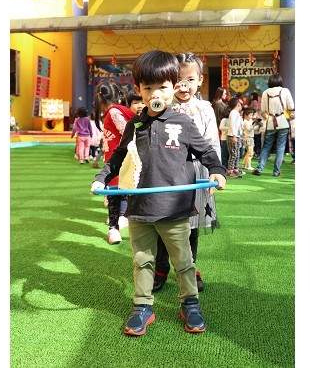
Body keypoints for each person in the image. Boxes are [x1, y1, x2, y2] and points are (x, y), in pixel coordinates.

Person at [91, 50, 227, 336]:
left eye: (163, 87)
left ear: (174, 87)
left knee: (184, 261)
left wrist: (217, 170)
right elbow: (118, 156)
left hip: (174, 208)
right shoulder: (135, 124)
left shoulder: (184, 123)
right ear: (138, 89)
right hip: (140, 209)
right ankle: (142, 306)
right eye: (148, 87)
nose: (156, 93)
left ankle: (190, 303)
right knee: (142, 260)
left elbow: (205, 151)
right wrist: (102, 177)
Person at [152, 52, 221, 294]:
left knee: (191, 225)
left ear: (200, 80)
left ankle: (189, 267)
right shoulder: (162, 106)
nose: (184, 86)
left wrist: (214, 172)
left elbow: (212, 142)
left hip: (196, 173)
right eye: (179, 80)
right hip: (167, 173)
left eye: (190, 80)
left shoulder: (205, 109)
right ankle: (161, 268)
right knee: (163, 221)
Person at [93, 81, 136, 243]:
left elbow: (126, 131)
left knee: (114, 195)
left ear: (100, 100)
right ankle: (117, 224)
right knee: (118, 194)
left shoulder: (113, 112)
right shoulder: (118, 111)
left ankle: (114, 227)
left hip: (118, 160)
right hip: (118, 160)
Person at [252, 73, 295, 177]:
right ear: (280, 81)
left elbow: (263, 110)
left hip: (270, 122)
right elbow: (291, 106)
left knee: (266, 146)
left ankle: (259, 168)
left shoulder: (265, 93)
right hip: (283, 122)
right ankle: (276, 171)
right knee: (280, 147)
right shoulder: (285, 91)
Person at [226, 97, 244, 178]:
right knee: (233, 154)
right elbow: (232, 125)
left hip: (237, 136)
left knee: (237, 154)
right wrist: (234, 135)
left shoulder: (236, 113)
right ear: (238, 105)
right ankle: (230, 170)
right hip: (233, 136)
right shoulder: (233, 113)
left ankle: (236, 169)